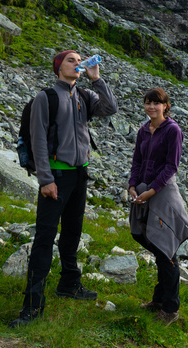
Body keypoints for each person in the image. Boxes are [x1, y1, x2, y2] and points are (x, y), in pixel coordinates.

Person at [10, 50, 118, 328]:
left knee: (72, 233)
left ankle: (69, 284)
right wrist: (45, 180)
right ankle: (32, 305)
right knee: (45, 238)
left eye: (79, 60)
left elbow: (110, 108)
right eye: (71, 60)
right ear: (58, 67)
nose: (78, 63)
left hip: (79, 174)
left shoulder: (84, 95)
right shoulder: (45, 98)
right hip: (56, 176)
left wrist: (96, 79)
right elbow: (38, 140)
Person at [128, 87, 188, 325]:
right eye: (148, 103)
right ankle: (159, 299)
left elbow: (170, 166)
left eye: (157, 103)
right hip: (143, 191)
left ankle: (170, 308)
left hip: (162, 193)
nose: (151, 107)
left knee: (166, 251)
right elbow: (137, 160)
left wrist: (151, 191)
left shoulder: (172, 130)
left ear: (166, 106)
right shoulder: (144, 130)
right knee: (147, 239)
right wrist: (133, 186)